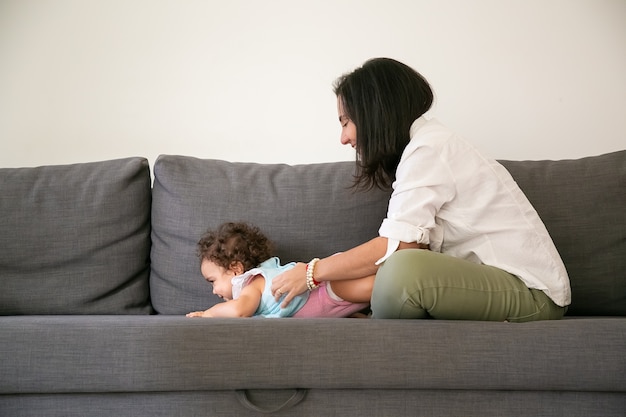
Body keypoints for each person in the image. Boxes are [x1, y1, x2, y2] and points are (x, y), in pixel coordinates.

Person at [270, 57, 571, 322]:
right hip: (501, 284)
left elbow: (400, 247)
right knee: (399, 270)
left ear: (372, 113)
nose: (343, 138)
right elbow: (411, 244)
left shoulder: (430, 147)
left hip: (532, 292)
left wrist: (312, 273)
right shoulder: (424, 148)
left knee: (402, 272)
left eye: (346, 122)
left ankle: (370, 316)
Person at [186, 222, 370, 318]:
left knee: (379, 288)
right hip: (329, 296)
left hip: (326, 291)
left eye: (213, 281)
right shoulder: (265, 273)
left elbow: (239, 311)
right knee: (377, 292)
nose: (213, 290)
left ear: (235, 269)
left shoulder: (252, 284)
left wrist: (208, 313)